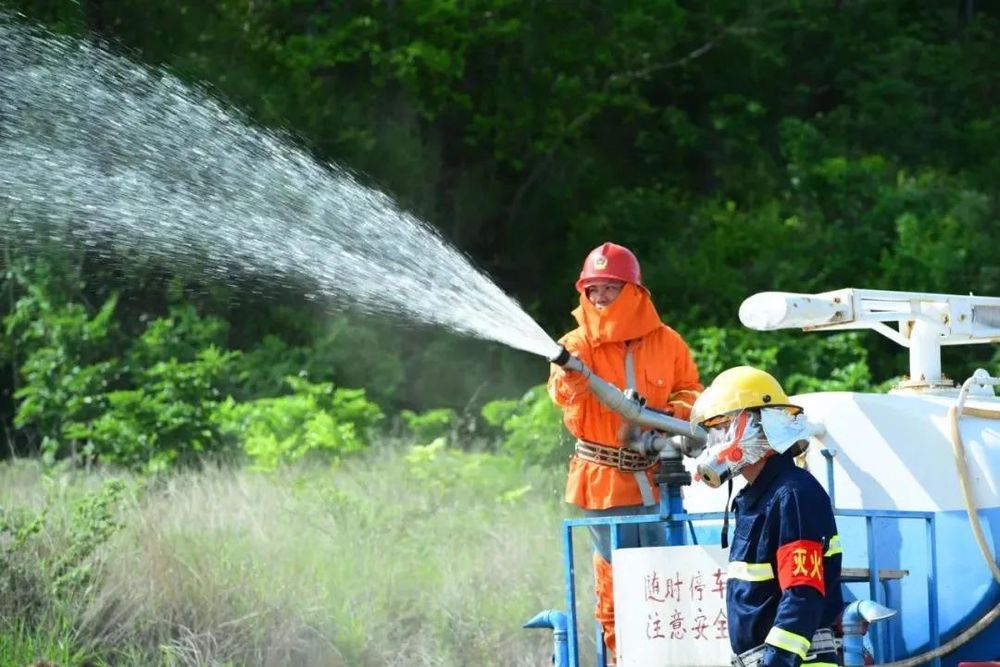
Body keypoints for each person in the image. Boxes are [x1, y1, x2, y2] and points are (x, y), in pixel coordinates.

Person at [547, 241, 703, 658]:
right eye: (592, 289)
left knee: (665, 575)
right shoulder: (574, 345)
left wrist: (671, 413)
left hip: (659, 477)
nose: (599, 298)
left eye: (609, 288)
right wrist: (573, 378)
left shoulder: (667, 341)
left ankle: (672, 657)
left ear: (633, 292)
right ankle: (624, 658)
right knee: (616, 579)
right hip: (603, 481)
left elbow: (690, 387)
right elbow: (562, 397)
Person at [690, 366, 843, 667]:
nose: (713, 444)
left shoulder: (793, 495)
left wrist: (776, 662)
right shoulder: (757, 497)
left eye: (722, 429)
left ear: (756, 426)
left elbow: (801, 594)